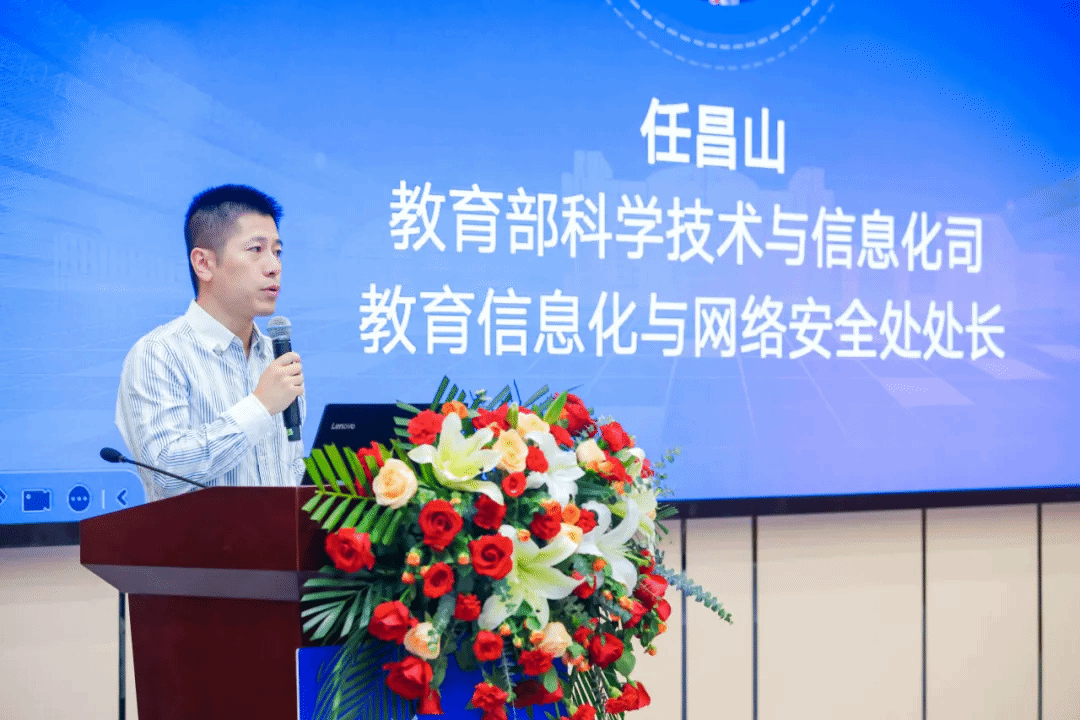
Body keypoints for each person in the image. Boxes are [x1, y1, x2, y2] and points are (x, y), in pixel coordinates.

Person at [116, 184, 306, 501]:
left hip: (280, 534)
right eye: (256, 250)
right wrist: (259, 407)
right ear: (203, 263)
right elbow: (165, 472)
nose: (274, 267)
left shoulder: (276, 360)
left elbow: (291, 470)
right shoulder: (159, 354)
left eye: (277, 251)